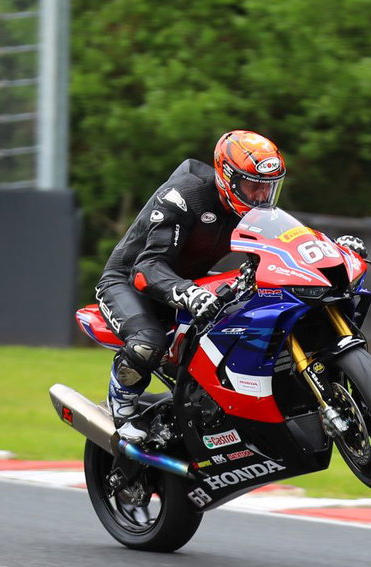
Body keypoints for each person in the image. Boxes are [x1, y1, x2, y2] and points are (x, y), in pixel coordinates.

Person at [95, 129, 287, 438]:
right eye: (253, 187)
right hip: (128, 282)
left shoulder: (256, 212)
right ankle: (122, 407)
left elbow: (284, 247)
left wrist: (331, 250)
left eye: (267, 189)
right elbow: (146, 268)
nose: (260, 198)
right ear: (228, 178)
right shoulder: (184, 197)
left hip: (190, 283)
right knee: (148, 343)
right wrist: (188, 293)